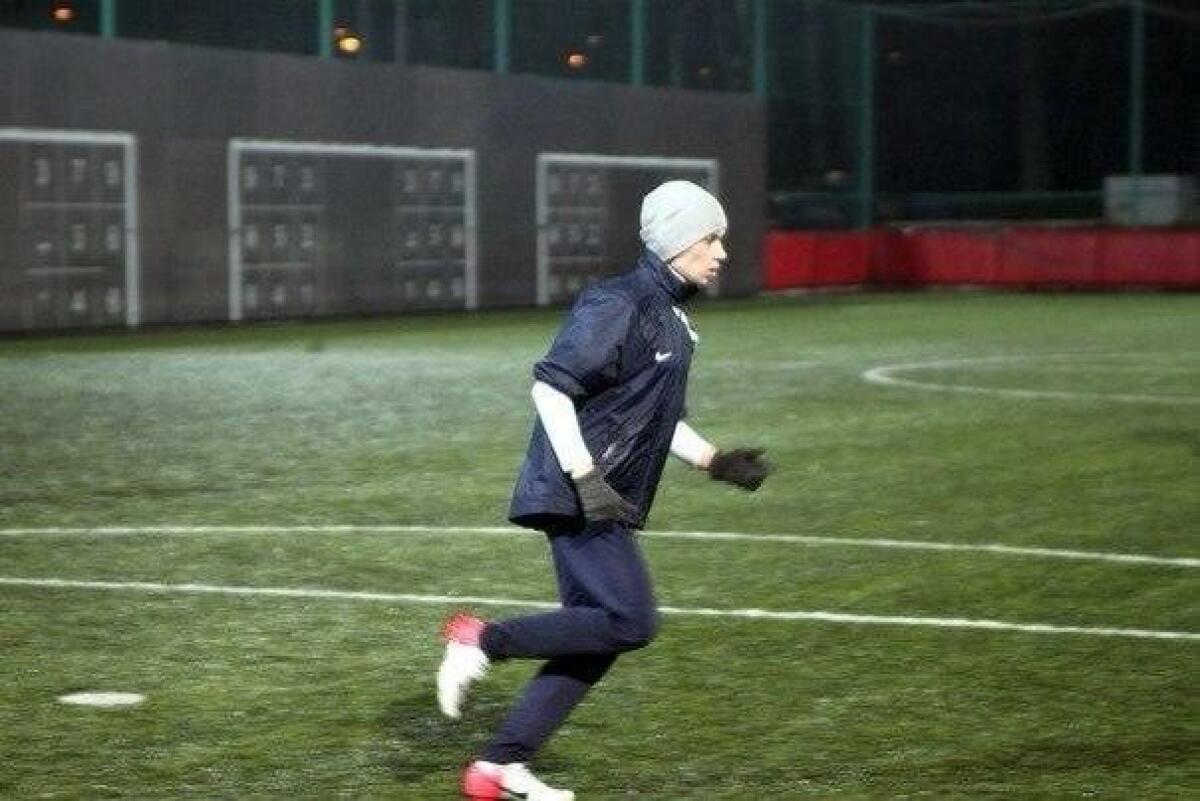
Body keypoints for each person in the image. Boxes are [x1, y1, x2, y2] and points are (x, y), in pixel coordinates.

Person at [437, 180, 772, 801]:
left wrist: (715, 460)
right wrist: (585, 476)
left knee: (593, 637)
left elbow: (656, 419)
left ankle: (499, 766)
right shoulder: (620, 303)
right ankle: (479, 640)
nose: (722, 252)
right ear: (677, 240)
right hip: (578, 491)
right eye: (711, 238)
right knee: (631, 620)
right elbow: (550, 388)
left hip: (603, 493)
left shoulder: (671, 318)